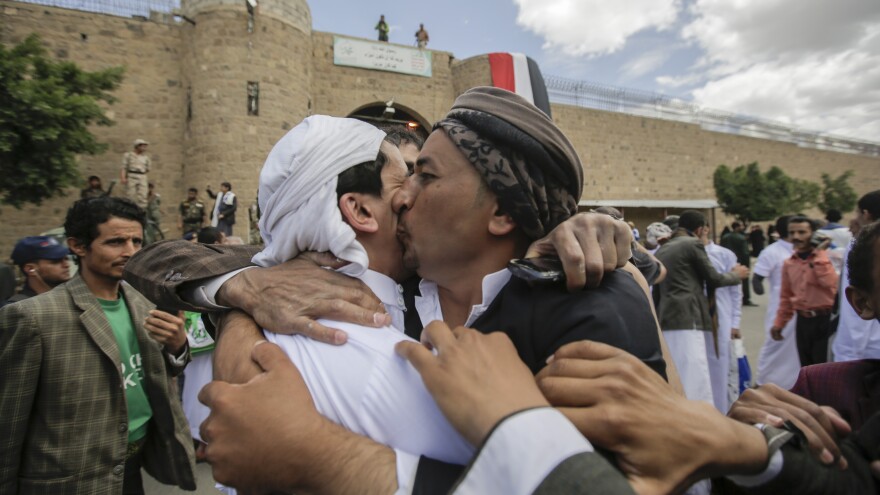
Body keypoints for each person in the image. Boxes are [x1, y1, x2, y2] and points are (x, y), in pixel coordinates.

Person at [126, 88, 658, 493]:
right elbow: (162, 259)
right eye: (404, 175)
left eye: (424, 174)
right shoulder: (349, 295)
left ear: (498, 211)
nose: (405, 199)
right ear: (356, 210)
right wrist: (243, 291)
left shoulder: (583, 302)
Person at [0, 197, 195, 494]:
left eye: (136, 241)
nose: (129, 251)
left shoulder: (143, 303)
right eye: (115, 242)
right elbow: (9, 421)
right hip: (72, 477)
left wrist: (178, 347)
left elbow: (160, 372)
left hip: (133, 464)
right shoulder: (33, 317)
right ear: (78, 246)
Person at [654, 210, 747, 403]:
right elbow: (713, 278)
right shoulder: (692, 243)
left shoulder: (664, 247)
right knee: (695, 374)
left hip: (668, 317)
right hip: (688, 317)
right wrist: (737, 275)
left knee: (679, 369)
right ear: (700, 229)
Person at [771, 216, 838, 366]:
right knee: (807, 368)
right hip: (803, 322)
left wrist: (819, 254)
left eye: (802, 232)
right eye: (792, 233)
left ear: (813, 234)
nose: (796, 237)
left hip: (826, 320)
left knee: (824, 368)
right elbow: (786, 297)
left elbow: (829, 282)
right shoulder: (789, 263)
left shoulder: (829, 258)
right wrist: (779, 323)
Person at [753, 215, 802, 389]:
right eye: (793, 230)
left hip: (803, 310)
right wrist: (757, 286)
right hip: (780, 309)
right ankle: (763, 383)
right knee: (774, 347)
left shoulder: (807, 251)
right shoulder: (772, 251)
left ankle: (796, 384)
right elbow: (757, 277)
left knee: (798, 351)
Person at [832, 190, 880, 362]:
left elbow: (854, 314)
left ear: (866, 214)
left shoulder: (863, 247)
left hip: (868, 353)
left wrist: (848, 357)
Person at [703, 226, 743, 412]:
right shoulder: (686, 253)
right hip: (698, 320)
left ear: (705, 230)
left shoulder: (724, 254)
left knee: (724, 367)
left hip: (722, 317)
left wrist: (735, 322)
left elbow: (736, 292)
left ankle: (724, 409)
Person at [2, 236, 71, 307]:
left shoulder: (73, 300)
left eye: (66, 259)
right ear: (30, 269)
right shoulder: (19, 308)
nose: (66, 265)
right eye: (56, 261)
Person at [722, 221, 755, 306]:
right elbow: (745, 253)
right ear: (737, 227)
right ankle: (745, 299)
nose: (742, 227)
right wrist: (747, 265)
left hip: (727, 263)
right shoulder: (741, 238)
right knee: (744, 282)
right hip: (740, 262)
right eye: (740, 226)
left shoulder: (725, 237)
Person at [121, 138, 151, 208]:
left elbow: (148, 168)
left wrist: (142, 174)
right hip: (132, 175)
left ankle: (142, 212)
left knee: (143, 195)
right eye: (143, 146)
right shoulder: (128, 155)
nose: (144, 148)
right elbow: (123, 167)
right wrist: (123, 177)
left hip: (142, 175)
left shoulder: (145, 158)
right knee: (130, 195)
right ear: (137, 146)